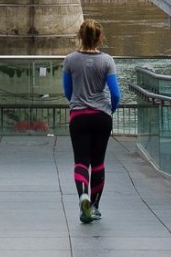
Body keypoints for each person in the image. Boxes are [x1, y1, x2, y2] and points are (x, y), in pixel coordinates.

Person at [62, 19, 121, 224]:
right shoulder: (107, 61)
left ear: (80, 36)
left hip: (79, 116)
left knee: (81, 161)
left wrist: (78, 104)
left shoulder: (69, 60)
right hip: (102, 116)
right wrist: (108, 111)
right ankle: (94, 206)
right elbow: (115, 94)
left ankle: (83, 196)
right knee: (98, 163)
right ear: (99, 38)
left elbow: (67, 91)